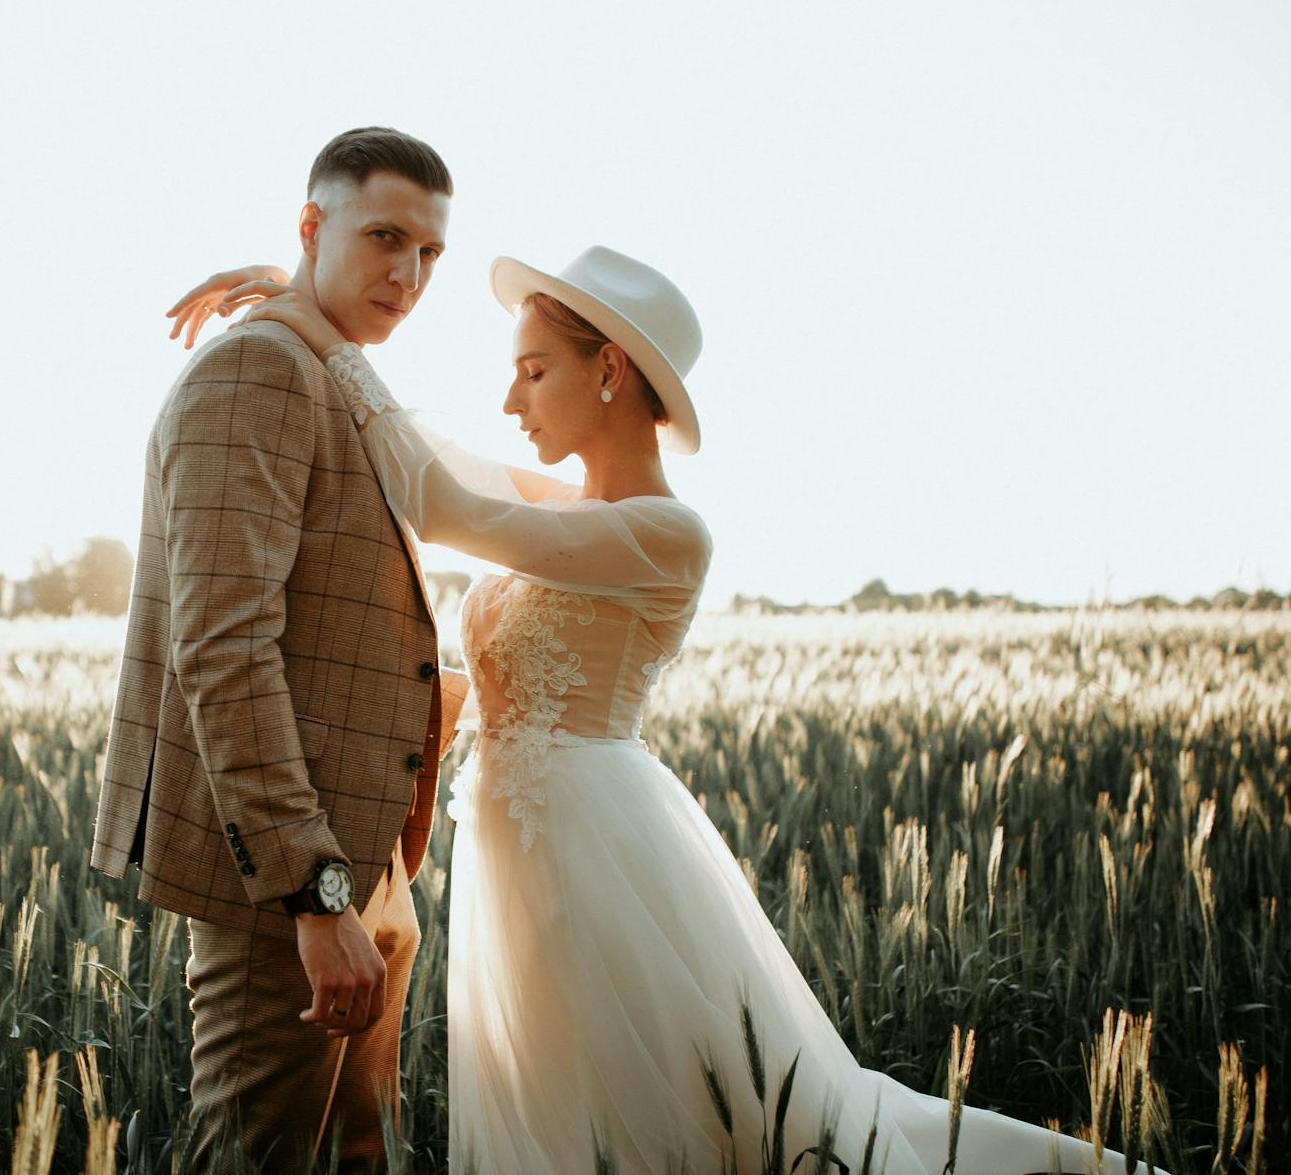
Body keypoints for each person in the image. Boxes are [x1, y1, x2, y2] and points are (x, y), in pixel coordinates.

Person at [175, 245, 1158, 1173]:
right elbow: (431, 454)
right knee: (563, 1102)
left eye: (532, 372)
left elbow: (444, 506)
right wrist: (308, 299)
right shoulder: (567, 509)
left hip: (592, 848)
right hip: (516, 843)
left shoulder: (666, 532)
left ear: (607, 369)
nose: (510, 400)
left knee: (649, 1106)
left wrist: (320, 330)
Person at [89, 126, 471, 1174]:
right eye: (383, 237)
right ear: (311, 224)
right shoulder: (256, 371)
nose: (409, 275)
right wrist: (312, 891)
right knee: (258, 1159)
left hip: (369, 863)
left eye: (430, 253)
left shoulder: (321, 367)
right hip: (286, 888)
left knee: (358, 1157)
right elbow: (223, 648)